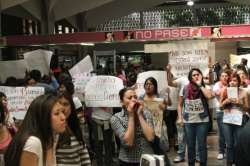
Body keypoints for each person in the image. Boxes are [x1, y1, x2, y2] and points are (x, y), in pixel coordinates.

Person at [4, 94, 66, 166]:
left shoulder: (53, 137)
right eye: (56, 113)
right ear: (42, 118)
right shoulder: (33, 143)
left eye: (63, 112)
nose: (63, 117)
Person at [110, 88, 154, 166]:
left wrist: (139, 114)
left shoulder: (146, 114)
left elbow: (151, 137)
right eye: (129, 98)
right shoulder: (116, 118)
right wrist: (131, 116)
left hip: (148, 159)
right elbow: (128, 143)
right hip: (128, 161)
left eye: (135, 97)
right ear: (122, 102)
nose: (133, 100)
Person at [178, 68, 213, 166]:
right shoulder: (184, 88)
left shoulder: (205, 86)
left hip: (202, 121)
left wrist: (200, 85)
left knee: (202, 145)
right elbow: (180, 104)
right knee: (190, 145)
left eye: (198, 74)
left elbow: (209, 96)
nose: (196, 76)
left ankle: (203, 164)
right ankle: (191, 164)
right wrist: (180, 117)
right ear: (190, 77)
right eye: (194, 75)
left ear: (201, 76)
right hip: (189, 121)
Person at [220, 73, 248, 166]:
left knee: (238, 143)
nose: (232, 82)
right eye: (231, 80)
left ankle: (238, 162)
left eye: (235, 80)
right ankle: (229, 162)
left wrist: (240, 103)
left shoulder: (243, 91)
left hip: (239, 119)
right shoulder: (224, 91)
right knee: (229, 144)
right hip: (227, 120)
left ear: (239, 82)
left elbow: (247, 108)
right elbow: (220, 107)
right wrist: (224, 102)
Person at [56, 91, 91, 166]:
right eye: (59, 104)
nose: (62, 107)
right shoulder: (51, 130)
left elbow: (84, 155)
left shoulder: (75, 127)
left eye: (65, 104)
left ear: (71, 107)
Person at [212, 70, 230, 160]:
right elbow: (217, 93)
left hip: (231, 111)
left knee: (230, 132)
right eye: (222, 76)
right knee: (222, 133)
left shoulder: (231, 84)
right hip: (220, 111)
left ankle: (229, 152)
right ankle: (221, 151)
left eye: (226, 76)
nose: (224, 77)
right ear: (220, 77)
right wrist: (226, 88)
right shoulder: (216, 85)